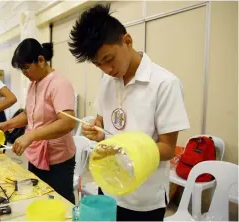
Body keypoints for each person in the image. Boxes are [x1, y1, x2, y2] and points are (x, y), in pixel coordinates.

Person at [68, 4, 190, 221]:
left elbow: (168, 148)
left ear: (127, 41)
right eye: (98, 65)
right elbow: (103, 124)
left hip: (143, 199)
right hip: (108, 188)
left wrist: (125, 148)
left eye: (108, 59)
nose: (107, 69)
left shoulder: (164, 84)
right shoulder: (108, 81)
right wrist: (99, 133)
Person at [0, 38, 77, 204]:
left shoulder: (59, 83)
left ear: (40, 60)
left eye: (26, 68)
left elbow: (68, 122)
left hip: (58, 158)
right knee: (39, 197)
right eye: (22, 70)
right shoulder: (34, 84)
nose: (25, 74)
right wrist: (7, 124)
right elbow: (29, 114)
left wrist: (30, 136)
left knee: (60, 203)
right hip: (36, 154)